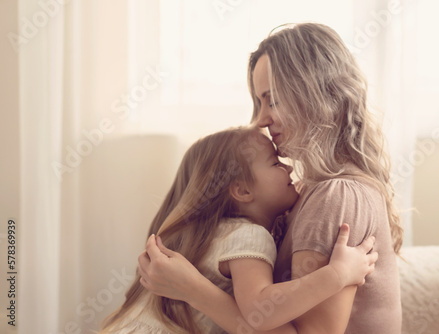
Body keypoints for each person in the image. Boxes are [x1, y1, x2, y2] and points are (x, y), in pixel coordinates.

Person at [138, 22, 404, 333]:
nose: (261, 119)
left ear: (315, 94)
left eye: (272, 100)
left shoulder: (337, 196)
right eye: (259, 102)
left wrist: (193, 290)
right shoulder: (302, 195)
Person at [101, 126, 378, 334]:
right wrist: (338, 274)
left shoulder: (209, 237)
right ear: (243, 190)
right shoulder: (248, 236)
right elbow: (261, 310)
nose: (288, 166)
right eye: (274, 163)